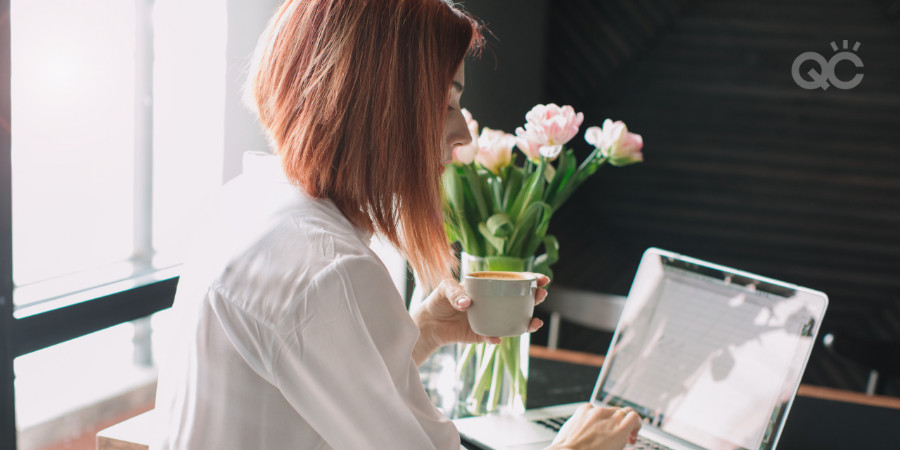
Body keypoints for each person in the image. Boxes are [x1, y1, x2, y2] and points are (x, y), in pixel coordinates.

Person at [152, 0, 641, 449]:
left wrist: (422, 332)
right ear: (376, 105)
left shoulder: (250, 204)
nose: (464, 131)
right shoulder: (327, 268)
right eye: (447, 102)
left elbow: (313, 391)